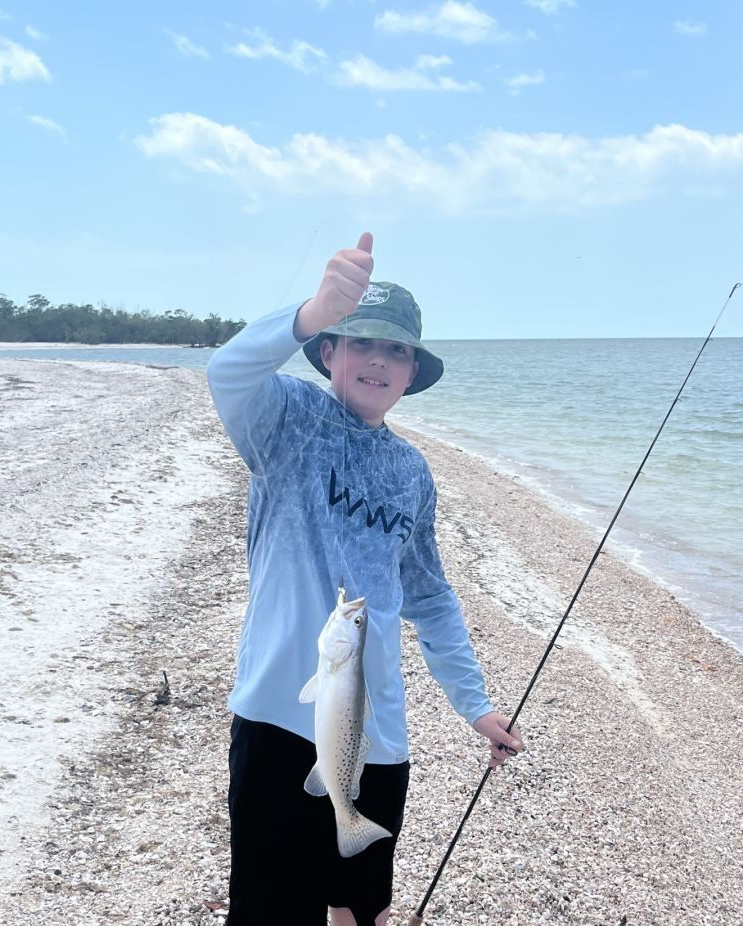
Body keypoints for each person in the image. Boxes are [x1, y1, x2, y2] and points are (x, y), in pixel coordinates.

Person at [206, 232, 523, 926]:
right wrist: (311, 310)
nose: (378, 360)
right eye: (359, 343)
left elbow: (432, 598)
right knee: (271, 911)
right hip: (277, 720)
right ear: (328, 354)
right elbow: (229, 372)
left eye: (396, 351)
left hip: (377, 734)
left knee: (362, 908)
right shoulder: (285, 421)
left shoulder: (412, 473)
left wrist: (475, 706)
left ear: (412, 371)